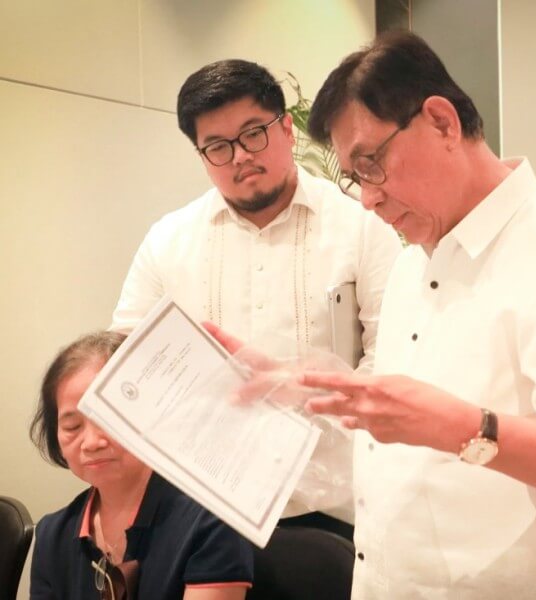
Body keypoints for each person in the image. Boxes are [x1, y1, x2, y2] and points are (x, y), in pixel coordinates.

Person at [209, 31, 536, 599]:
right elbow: (407, 397)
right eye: (354, 177)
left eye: (371, 164)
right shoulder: (415, 259)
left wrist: (461, 428)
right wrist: (314, 382)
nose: (367, 197)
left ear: (442, 122)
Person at [110, 59, 402, 536]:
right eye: (218, 147)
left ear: (286, 129)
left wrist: (321, 395)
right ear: (202, 156)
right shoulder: (168, 242)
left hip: (336, 506)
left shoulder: (362, 227)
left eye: (253, 133)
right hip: (205, 511)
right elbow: (127, 355)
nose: (240, 156)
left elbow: (394, 355)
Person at [29, 331, 253, 599]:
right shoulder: (51, 535)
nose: (91, 442)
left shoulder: (212, 520)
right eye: (72, 426)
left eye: (107, 417)